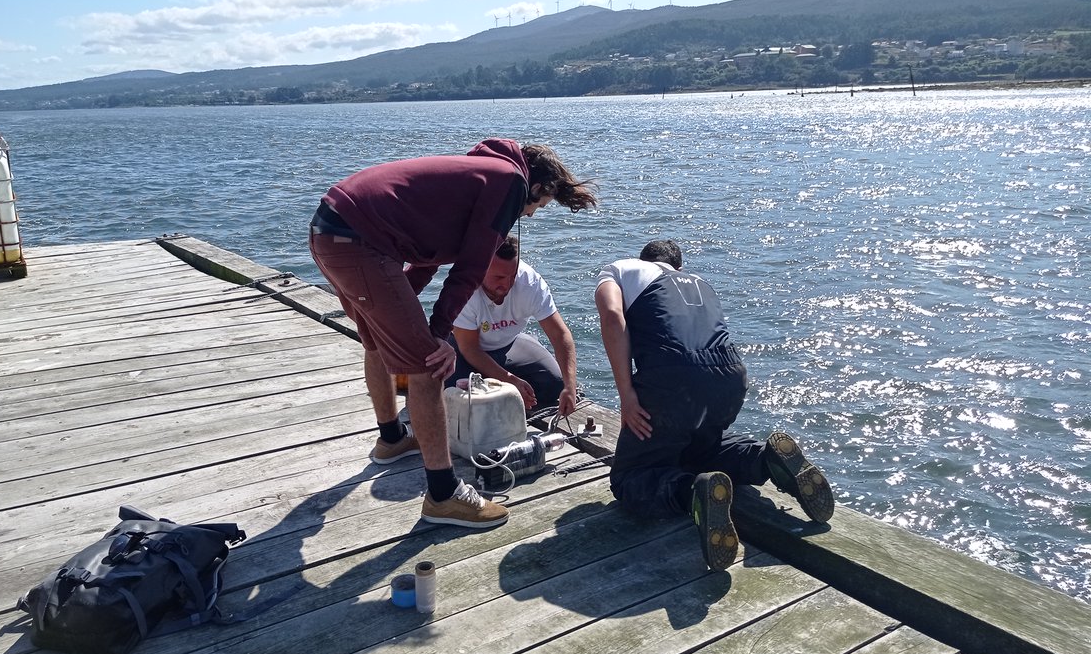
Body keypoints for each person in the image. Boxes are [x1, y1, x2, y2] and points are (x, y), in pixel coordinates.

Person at [309, 138, 596, 530]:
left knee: (377, 340)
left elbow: (428, 259)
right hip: (360, 243)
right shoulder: (509, 181)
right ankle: (443, 496)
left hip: (332, 229)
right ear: (539, 187)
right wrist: (437, 336)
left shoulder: (478, 175)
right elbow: (470, 270)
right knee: (429, 366)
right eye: (538, 207)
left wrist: (408, 318)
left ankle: (392, 439)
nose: (528, 216)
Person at [594, 239, 833, 571]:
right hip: (730, 378)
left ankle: (691, 493)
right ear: (678, 266)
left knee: (629, 479)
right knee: (698, 451)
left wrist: (626, 395)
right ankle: (766, 461)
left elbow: (611, 315)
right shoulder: (700, 284)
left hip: (673, 380)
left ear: (644, 259)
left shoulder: (622, 269)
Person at [447, 236, 578, 417]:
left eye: (512, 276)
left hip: (509, 343)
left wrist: (570, 387)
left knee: (555, 384)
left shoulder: (530, 282)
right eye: (499, 277)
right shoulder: (466, 288)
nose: (507, 285)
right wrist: (509, 381)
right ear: (481, 269)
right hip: (463, 350)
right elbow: (470, 349)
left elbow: (560, 334)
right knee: (462, 400)